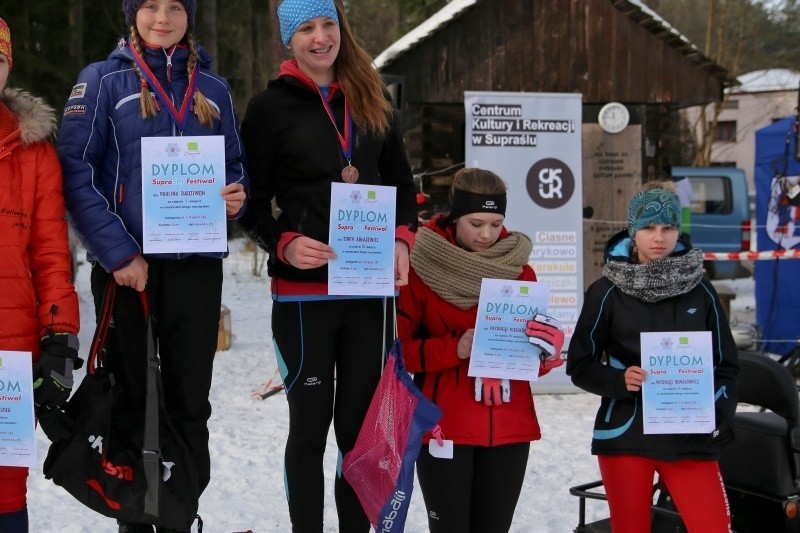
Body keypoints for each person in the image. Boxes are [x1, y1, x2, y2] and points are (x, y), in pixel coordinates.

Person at [56, 1, 248, 532]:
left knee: (190, 400)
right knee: (133, 398)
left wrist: (239, 195)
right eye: (149, 6)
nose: (162, 17)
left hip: (195, 268)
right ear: (131, 13)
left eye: (174, 6)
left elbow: (235, 165)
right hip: (129, 270)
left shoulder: (214, 88)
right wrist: (118, 252)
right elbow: (76, 172)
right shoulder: (102, 82)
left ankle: (181, 513)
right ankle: (136, 518)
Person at [237, 0, 417, 530]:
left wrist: (403, 242)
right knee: (310, 430)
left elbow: (404, 186)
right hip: (303, 296)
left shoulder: (373, 97)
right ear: (288, 41)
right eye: (307, 29)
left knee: (360, 432)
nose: (320, 38)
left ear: (341, 30)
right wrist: (284, 242)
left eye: (328, 25)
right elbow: (250, 200)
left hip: (368, 291)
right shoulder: (269, 108)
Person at [396, 167, 565, 533]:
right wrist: (453, 348)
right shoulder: (421, 264)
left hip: (509, 425)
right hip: (444, 424)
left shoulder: (520, 268)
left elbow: (527, 358)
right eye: (476, 222)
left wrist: (547, 350)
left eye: (495, 222)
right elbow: (398, 353)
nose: (487, 234)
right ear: (455, 216)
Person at [566, 182, 739, 532]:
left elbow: (726, 366)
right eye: (648, 227)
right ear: (633, 230)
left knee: (714, 527)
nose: (658, 237)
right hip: (627, 436)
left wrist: (720, 414)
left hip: (690, 435)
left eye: (668, 227)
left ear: (678, 230)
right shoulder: (606, 291)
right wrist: (618, 381)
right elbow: (580, 365)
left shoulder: (701, 289)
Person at [0, 17, 81, 533]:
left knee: (6, 486)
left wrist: (59, 337)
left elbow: (52, 254)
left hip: (11, 351)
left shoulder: (34, 154)